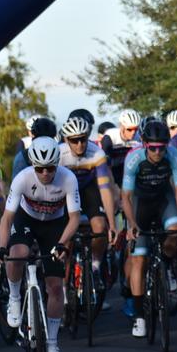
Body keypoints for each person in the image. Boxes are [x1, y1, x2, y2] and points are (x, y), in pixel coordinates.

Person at [0, 136, 82, 352]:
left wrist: (63, 244)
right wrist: (2, 247)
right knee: (18, 252)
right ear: (32, 166)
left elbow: (74, 218)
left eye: (50, 168)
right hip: (27, 219)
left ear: (58, 164)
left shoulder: (68, 179)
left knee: (55, 286)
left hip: (55, 225)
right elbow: (6, 218)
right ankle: (15, 298)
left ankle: (53, 344)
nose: (45, 173)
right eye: (40, 169)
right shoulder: (22, 179)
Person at [121, 118, 177, 337]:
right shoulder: (133, 159)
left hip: (162, 200)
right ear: (143, 143)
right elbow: (126, 196)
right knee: (139, 258)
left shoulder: (174, 156)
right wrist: (131, 224)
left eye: (162, 147)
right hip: (140, 203)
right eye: (153, 148)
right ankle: (139, 316)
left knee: (176, 232)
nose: (158, 152)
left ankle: (166, 266)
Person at [57, 116, 117, 277]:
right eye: (74, 140)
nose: (79, 145)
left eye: (83, 139)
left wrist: (112, 224)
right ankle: (64, 281)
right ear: (66, 139)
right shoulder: (59, 154)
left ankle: (95, 264)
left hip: (88, 190)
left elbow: (105, 189)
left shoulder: (96, 153)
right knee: (66, 236)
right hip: (65, 192)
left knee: (100, 227)